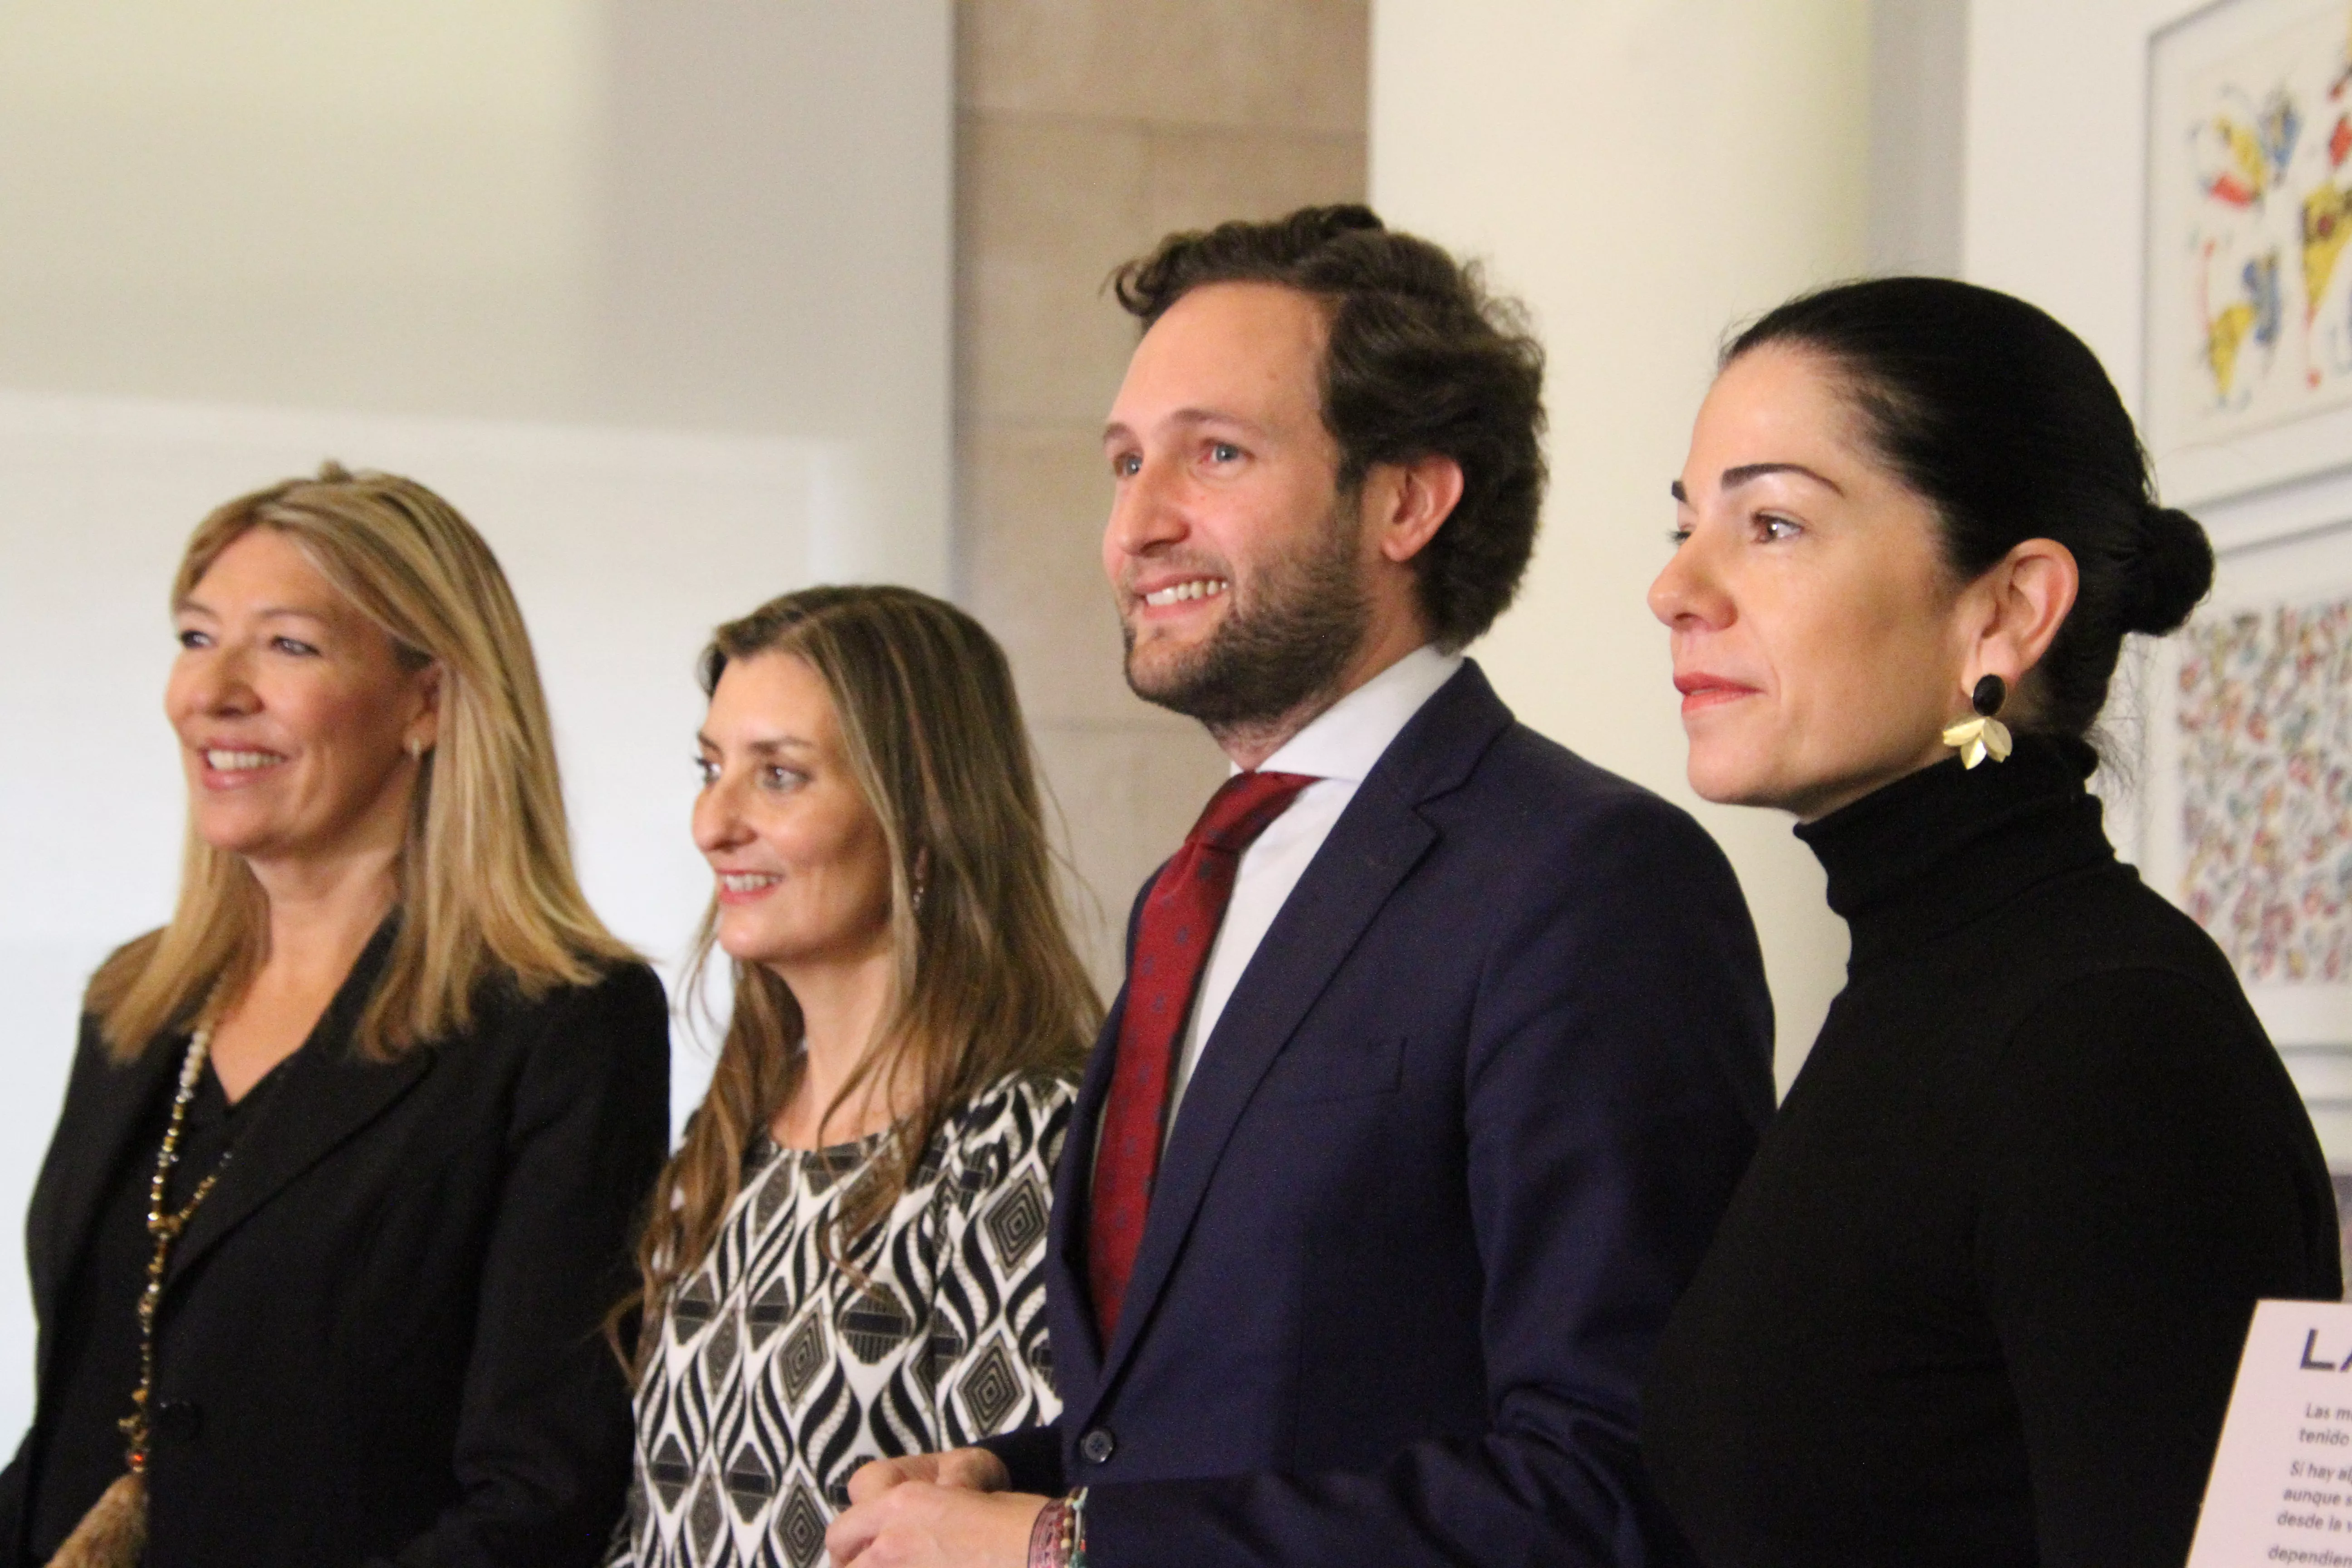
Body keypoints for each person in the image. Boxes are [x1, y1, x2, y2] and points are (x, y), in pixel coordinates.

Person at [827, 205, 1774, 1568]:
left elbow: (1606, 1487)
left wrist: (1055, 1547)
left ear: (1405, 500)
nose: (1137, 526)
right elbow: (1233, 1414)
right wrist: (1004, 1480)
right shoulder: (1188, 890)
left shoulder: (1587, 881)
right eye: (1123, 463)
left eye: (1214, 454)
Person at [1640, 277, 2343, 1567]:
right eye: (1688, 524)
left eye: (1774, 523)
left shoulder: (2105, 1037)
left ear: (2011, 609)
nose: (1677, 587)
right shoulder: (1932, 986)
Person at [0, 464, 671, 1568]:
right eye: (196, 637)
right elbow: (81, 1433)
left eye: (288, 646)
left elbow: (540, 1492)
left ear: (430, 702)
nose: (212, 693)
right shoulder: (134, 1007)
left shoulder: (563, 1026)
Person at [607, 586, 1095, 1568]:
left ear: (923, 817)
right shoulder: (737, 1126)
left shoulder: (1021, 1137)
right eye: (711, 768)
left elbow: (986, 1522)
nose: (714, 821)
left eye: (779, 776)